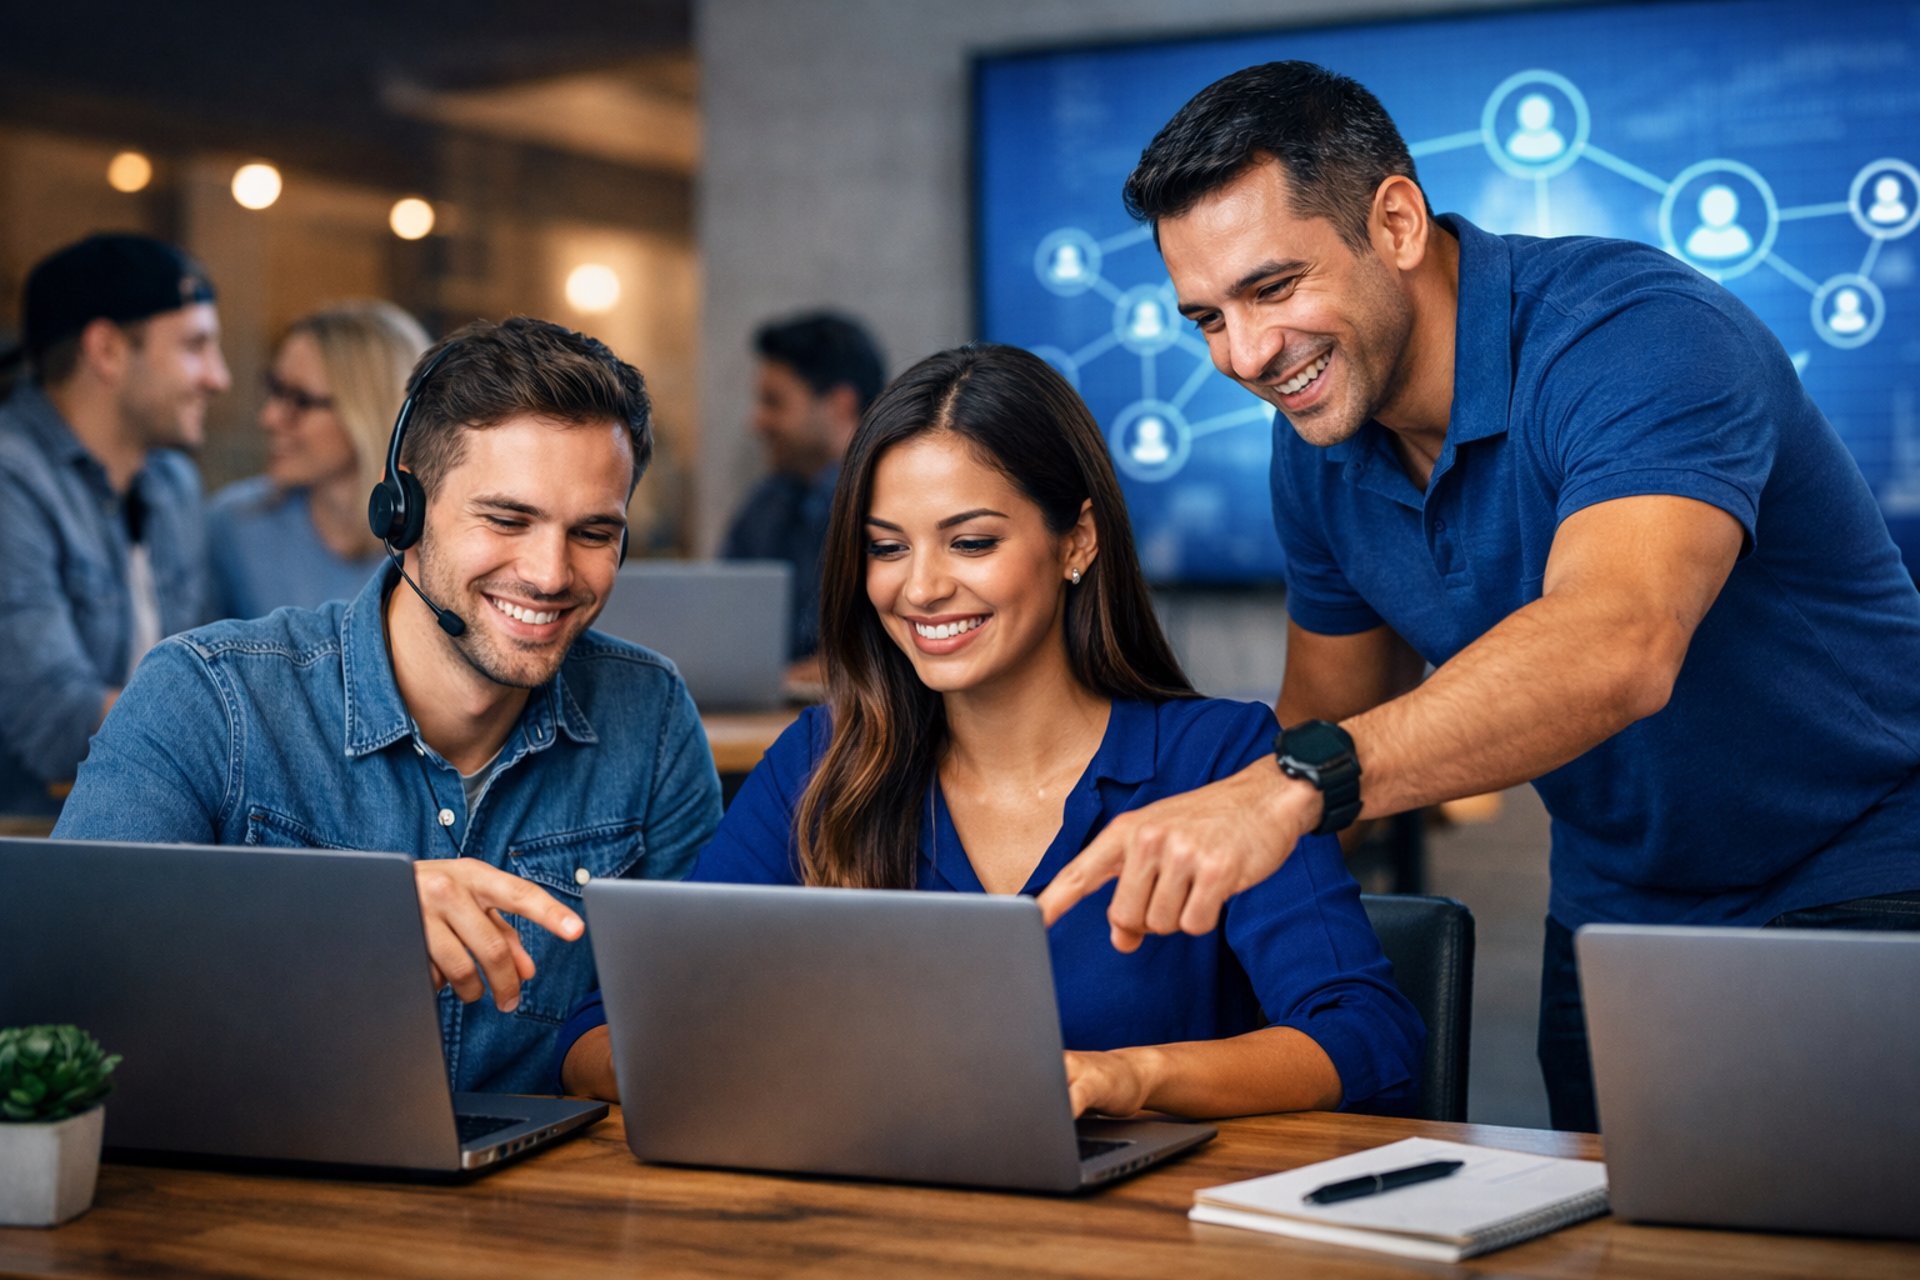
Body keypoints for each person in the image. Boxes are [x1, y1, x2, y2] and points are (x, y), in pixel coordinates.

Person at [1038, 61, 1920, 1132]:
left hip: (1870, 872)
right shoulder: (1318, 444)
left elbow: (1617, 642)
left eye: (1273, 289)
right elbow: (1327, 712)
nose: (1249, 354)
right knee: (1632, 1239)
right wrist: (1133, 930)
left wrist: (1293, 787)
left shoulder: (1637, 335)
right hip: (1618, 910)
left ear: (1398, 220)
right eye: (1206, 318)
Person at [556, 344, 1424, 1115]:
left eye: (969, 542)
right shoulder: (823, 765)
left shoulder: (1222, 760)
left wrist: (1131, 1079)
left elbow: (1367, 1040)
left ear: (1076, 542)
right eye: (887, 548)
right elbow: (608, 1034)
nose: (921, 588)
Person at [55, 316, 722, 1094]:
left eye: (594, 532)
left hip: (535, 1205)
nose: (549, 573)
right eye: (507, 519)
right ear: (401, 505)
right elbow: (68, 994)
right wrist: (349, 922)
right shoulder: (207, 695)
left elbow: (692, 1011)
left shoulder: (651, 715)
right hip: (245, 1195)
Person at [0, 234, 226, 816]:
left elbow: (208, 674)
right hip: (35, 849)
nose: (218, 377)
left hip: (154, 834)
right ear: (105, 350)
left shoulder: (173, 483)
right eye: (196, 346)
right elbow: (55, 718)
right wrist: (234, 732)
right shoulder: (11, 480)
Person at [206, 300, 430, 618]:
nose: (269, 417)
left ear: (368, 414)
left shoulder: (432, 544)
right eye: (273, 390)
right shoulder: (235, 528)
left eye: (300, 400)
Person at [722, 310, 886, 682]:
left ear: (841, 404)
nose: (757, 421)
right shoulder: (766, 503)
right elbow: (721, 624)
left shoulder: (898, 503)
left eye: (774, 402)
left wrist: (832, 669)